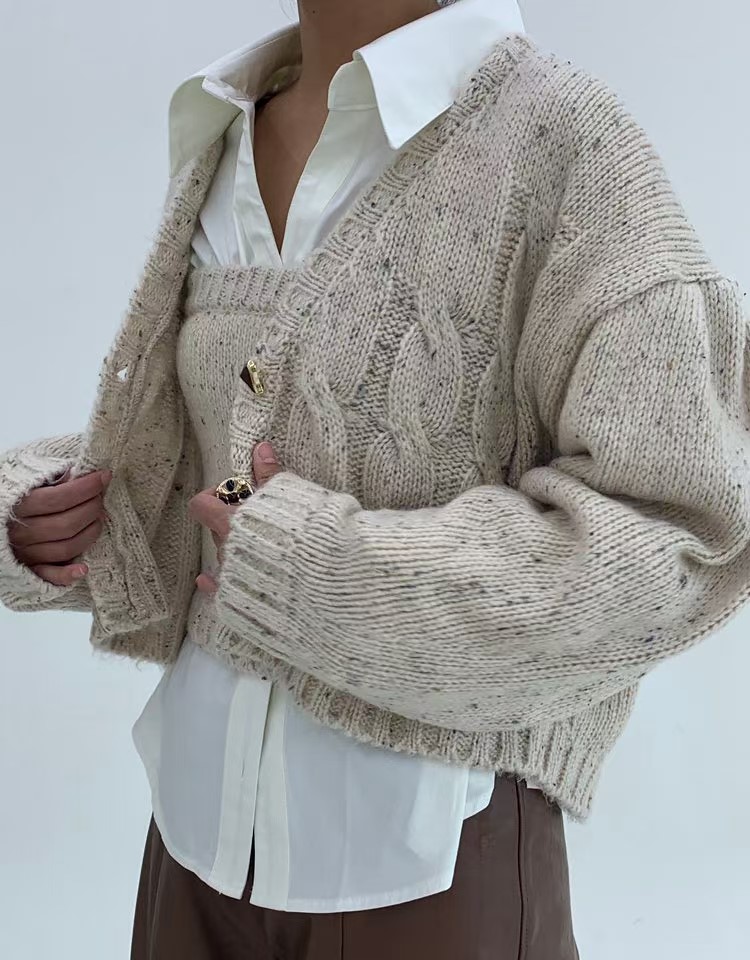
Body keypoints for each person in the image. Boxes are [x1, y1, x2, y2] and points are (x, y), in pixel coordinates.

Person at [2, 0, 749, 957]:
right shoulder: (222, 128)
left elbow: (677, 535)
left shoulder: (566, 142)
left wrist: (328, 571)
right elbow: (221, 465)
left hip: (430, 857)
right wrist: (54, 512)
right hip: (191, 840)